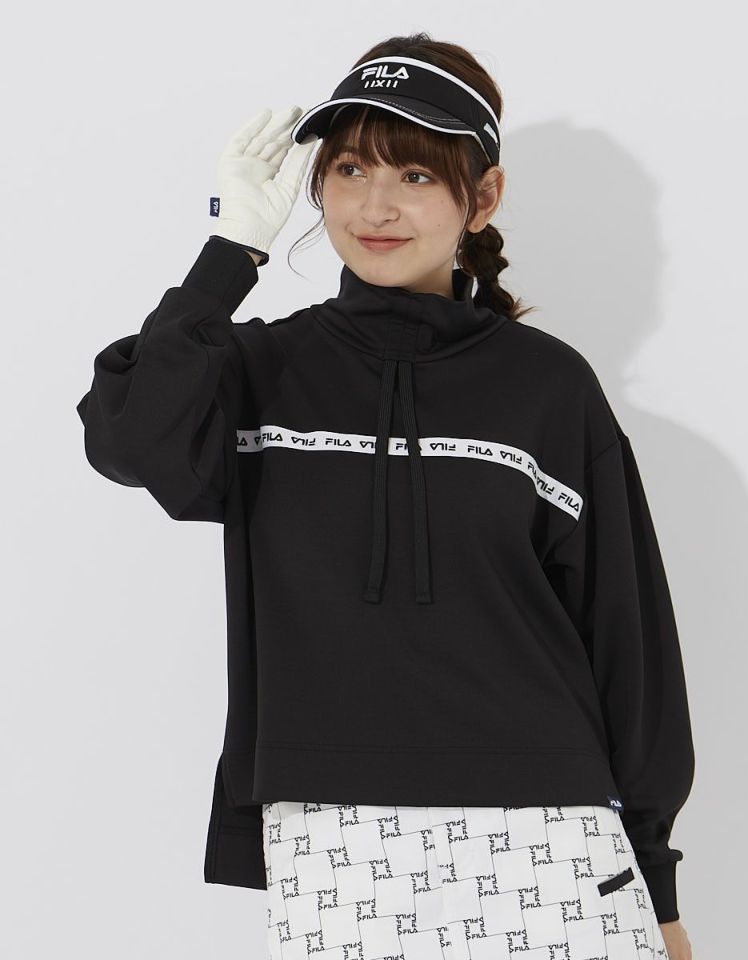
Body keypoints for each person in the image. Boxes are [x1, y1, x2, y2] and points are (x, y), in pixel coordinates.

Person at [76, 33, 694, 960]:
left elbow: (626, 639)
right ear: (317, 185)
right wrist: (230, 251)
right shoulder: (257, 371)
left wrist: (657, 886)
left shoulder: (549, 388)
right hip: (332, 842)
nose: (375, 206)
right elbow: (128, 439)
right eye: (351, 169)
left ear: (482, 196)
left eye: (415, 174)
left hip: (552, 836)